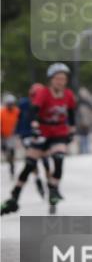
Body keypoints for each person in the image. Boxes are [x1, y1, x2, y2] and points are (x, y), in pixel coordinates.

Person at [1, 64, 77, 215]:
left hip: (59, 131)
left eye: (64, 79)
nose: (61, 82)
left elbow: (71, 114)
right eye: (58, 79)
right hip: (42, 131)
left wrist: (72, 131)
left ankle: (53, 189)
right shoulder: (44, 93)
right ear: (51, 80)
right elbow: (34, 112)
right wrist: (34, 127)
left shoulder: (68, 94)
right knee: (29, 165)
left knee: (59, 158)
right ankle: (14, 198)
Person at [1, 94, 19, 177]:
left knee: (11, 151)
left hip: (13, 135)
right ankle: (10, 161)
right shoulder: (2, 112)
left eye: (11, 103)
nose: (10, 105)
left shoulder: (17, 111)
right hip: (3, 135)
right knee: (4, 150)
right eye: (9, 104)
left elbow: (19, 122)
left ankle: (12, 165)